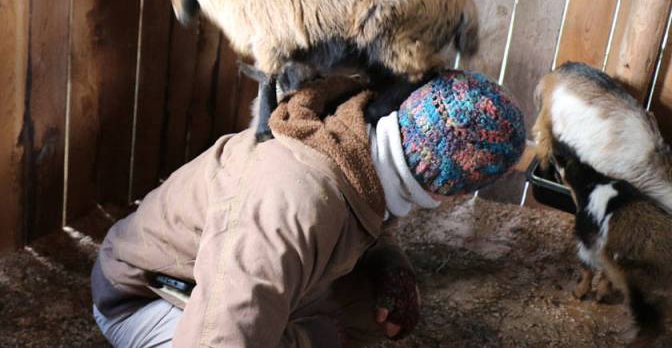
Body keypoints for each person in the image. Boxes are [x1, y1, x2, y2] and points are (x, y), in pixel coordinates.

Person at [91, 70, 525, 346]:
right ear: (447, 186)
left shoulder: (363, 147)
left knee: (376, 310)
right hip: (145, 296)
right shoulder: (294, 200)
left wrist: (389, 262)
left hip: (219, 275)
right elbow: (222, 334)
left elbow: (364, 214)